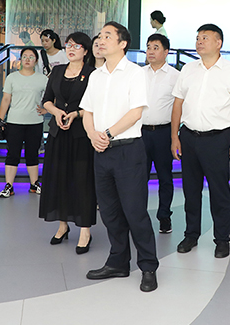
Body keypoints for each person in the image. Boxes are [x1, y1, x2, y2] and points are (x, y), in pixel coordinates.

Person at [81, 21, 159, 293]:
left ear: (122, 43)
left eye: (107, 36)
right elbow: (87, 111)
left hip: (128, 151)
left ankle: (148, 266)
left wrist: (106, 134)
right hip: (101, 151)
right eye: (100, 36)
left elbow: (136, 112)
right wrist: (93, 135)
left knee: (135, 212)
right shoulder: (96, 75)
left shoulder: (135, 73)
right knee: (110, 212)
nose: (100, 40)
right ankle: (118, 262)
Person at [171, 24, 230, 259]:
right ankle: (191, 235)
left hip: (217, 139)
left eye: (205, 38)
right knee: (190, 190)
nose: (199, 42)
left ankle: (222, 239)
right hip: (189, 137)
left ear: (218, 43)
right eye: (197, 38)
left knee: (219, 191)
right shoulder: (188, 69)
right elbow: (177, 103)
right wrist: (174, 136)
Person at [39, 32, 96, 254]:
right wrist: (56, 112)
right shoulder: (57, 71)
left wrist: (76, 114)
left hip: (81, 135)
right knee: (58, 179)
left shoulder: (92, 74)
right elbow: (46, 100)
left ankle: (85, 230)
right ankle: (63, 226)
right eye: (69, 45)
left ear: (86, 51)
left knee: (82, 181)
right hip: (58, 134)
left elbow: (95, 106)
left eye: (76, 46)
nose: (71, 49)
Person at [0, 46, 48, 198]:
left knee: (33, 154)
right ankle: (9, 186)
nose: (27, 59)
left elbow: (51, 98)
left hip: (35, 122)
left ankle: (34, 184)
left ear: (36, 61)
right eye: (24, 56)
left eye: (31, 57)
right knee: (13, 154)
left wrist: (46, 110)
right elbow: (6, 99)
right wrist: (0, 120)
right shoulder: (12, 78)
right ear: (20, 59)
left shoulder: (43, 79)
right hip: (14, 122)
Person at [141, 33, 179, 234]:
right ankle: (138, 217)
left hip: (164, 133)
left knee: (165, 177)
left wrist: (175, 136)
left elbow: (180, 108)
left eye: (156, 47)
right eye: (148, 47)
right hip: (140, 133)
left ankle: (164, 216)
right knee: (139, 178)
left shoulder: (175, 76)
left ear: (166, 52)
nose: (151, 51)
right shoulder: (139, 74)